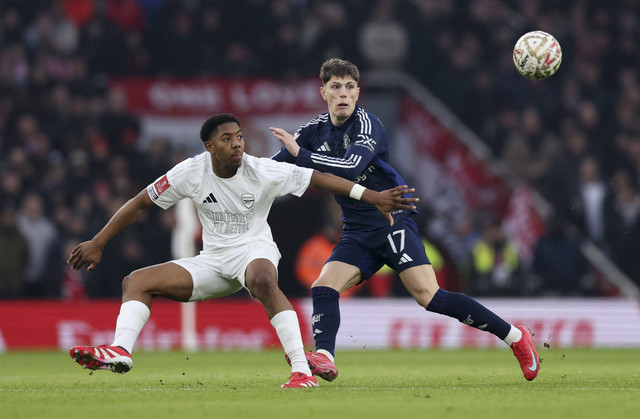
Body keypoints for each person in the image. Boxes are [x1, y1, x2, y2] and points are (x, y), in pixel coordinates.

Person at [67, 113, 417, 388]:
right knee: (136, 281)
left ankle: (301, 370)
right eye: (227, 139)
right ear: (209, 147)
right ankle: (120, 350)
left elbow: (318, 179)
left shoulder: (261, 169)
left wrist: (372, 196)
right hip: (214, 261)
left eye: (240, 137)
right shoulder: (189, 172)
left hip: (255, 250)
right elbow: (141, 202)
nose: (237, 144)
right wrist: (99, 241)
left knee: (263, 279)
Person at [270, 58, 540, 381]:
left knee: (429, 297)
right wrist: (236, 175)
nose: (343, 93)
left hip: (391, 219)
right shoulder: (314, 131)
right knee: (323, 286)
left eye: (349, 87)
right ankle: (325, 357)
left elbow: (350, 168)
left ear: (358, 93)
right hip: (357, 229)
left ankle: (516, 337)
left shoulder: (369, 126)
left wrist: (302, 155)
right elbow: (271, 169)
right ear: (323, 92)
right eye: (335, 86)